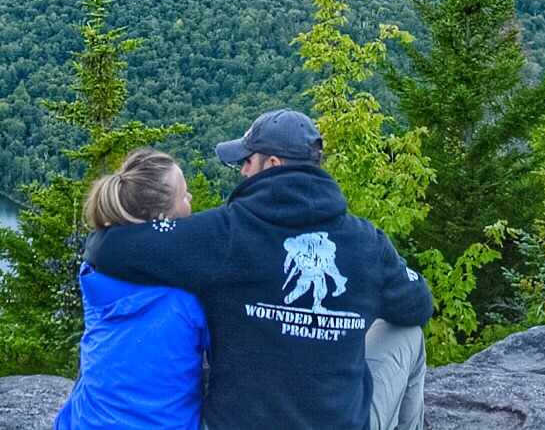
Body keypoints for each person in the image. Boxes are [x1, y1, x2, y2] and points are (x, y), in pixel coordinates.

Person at [85, 109, 432, 430]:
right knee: (408, 335)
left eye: (247, 161)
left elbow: (111, 247)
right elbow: (418, 304)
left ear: (273, 164)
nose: (243, 172)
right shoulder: (367, 243)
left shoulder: (225, 234)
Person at [57, 148, 208, 430]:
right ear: (164, 218)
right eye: (184, 194)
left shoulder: (95, 270)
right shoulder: (188, 292)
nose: (191, 199)